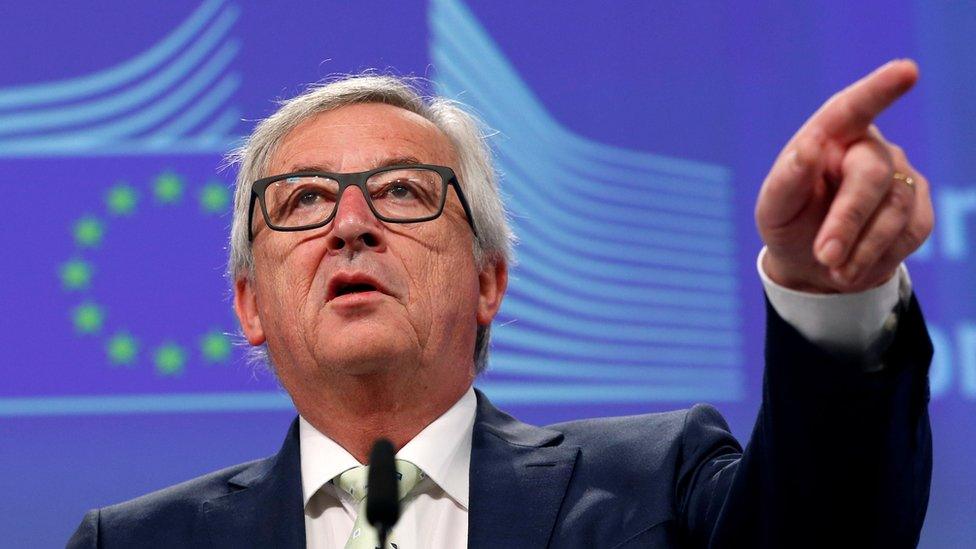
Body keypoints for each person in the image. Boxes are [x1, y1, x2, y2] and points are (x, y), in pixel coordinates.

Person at [68, 60, 934, 548]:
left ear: (488, 281)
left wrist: (833, 296)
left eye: (403, 191)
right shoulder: (132, 544)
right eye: (301, 200)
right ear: (250, 305)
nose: (352, 225)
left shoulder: (658, 483)